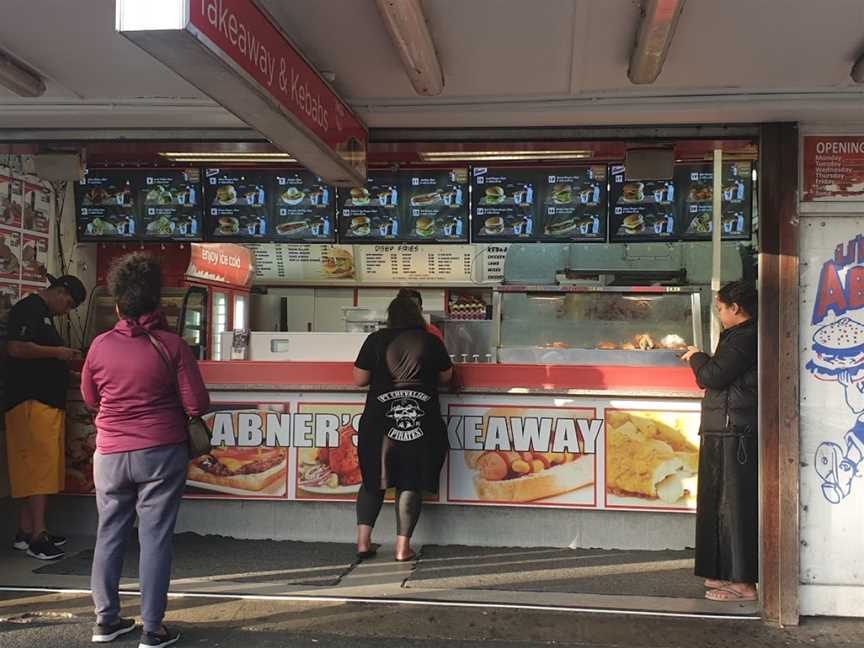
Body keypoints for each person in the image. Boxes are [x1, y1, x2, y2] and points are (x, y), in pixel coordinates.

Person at [82, 253, 209, 647]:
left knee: (109, 533)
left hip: (110, 454)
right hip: (160, 452)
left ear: (118, 303)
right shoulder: (173, 345)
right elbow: (197, 404)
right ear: (157, 303)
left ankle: (106, 621)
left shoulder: (100, 345)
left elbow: (90, 397)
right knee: (154, 537)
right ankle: (153, 629)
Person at [352, 295, 452, 561]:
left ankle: (363, 542)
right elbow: (446, 376)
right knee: (411, 479)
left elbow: (359, 379)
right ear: (418, 314)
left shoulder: (375, 340)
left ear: (391, 315)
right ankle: (402, 548)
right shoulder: (431, 341)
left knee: (373, 478)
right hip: (421, 419)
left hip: (379, 420)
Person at [681, 280, 758, 602]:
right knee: (718, 504)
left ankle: (743, 584)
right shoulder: (738, 336)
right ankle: (724, 572)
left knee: (734, 505)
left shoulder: (744, 337)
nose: (719, 315)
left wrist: (696, 357)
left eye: (720, 309)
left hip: (734, 429)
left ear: (735, 308)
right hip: (723, 425)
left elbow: (711, 377)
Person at [6, 274, 86, 561]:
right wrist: (58, 352)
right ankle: (38, 537)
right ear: (60, 291)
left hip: (45, 404)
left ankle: (25, 532)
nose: (67, 310)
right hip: (30, 402)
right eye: (69, 303)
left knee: (41, 469)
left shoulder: (44, 316)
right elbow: (15, 348)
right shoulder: (28, 310)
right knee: (38, 470)